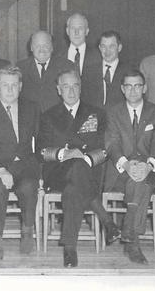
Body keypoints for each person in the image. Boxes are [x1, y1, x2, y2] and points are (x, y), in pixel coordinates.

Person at [37, 69, 120, 268]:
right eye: (66, 86)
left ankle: (70, 248)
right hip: (57, 173)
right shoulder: (48, 115)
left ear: (81, 88)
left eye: (75, 86)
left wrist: (84, 158)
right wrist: (63, 153)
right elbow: (41, 150)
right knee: (76, 171)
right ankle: (106, 220)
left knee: (75, 186)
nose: (71, 91)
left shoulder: (97, 113)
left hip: (87, 170)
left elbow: (104, 149)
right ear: (58, 90)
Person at [0, 66, 40, 266]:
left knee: (30, 186)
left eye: (14, 85)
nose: (10, 90)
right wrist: (1, 170)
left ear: (20, 86)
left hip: (22, 165)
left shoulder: (32, 108)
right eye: (5, 85)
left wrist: (37, 169)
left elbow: (39, 142)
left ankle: (27, 232)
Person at [105, 70, 155, 264]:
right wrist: (127, 164)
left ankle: (130, 231)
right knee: (138, 183)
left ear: (144, 88)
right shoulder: (113, 112)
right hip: (121, 170)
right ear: (122, 89)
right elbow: (111, 144)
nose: (133, 90)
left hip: (148, 170)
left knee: (140, 182)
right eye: (128, 86)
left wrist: (148, 165)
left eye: (137, 85)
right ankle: (132, 240)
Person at [17, 30, 74, 112]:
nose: (41, 49)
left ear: (52, 47)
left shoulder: (66, 66)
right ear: (31, 48)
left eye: (45, 45)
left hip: (58, 118)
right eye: (37, 46)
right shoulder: (21, 67)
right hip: (30, 120)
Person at [81, 30, 130, 109]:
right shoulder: (88, 71)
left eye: (111, 46)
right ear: (100, 48)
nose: (107, 51)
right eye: (104, 46)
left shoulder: (129, 71)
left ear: (119, 48)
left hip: (119, 119)